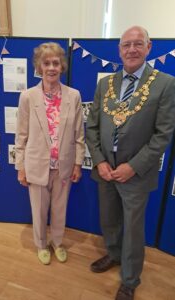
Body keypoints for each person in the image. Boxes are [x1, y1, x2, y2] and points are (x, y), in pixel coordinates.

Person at [86, 26, 175, 300]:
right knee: (109, 219)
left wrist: (133, 166)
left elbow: (163, 135)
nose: (132, 49)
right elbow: (91, 127)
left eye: (138, 44)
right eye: (127, 44)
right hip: (105, 169)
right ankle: (113, 254)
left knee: (134, 228)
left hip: (135, 173)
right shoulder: (105, 84)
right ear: (119, 50)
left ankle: (130, 278)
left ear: (149, 48)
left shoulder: (166, 83)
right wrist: (99, 160)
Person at [15, 42, 85, 265]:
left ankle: (57, 241)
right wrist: (21, 167)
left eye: (56, 62)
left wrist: (77, 164)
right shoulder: (27, 97)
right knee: (38, 209)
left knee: (59, 209)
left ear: (62, 66)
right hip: (36, 165)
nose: (52, 67)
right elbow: (21, 135)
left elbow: (79, 134)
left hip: (63, 165)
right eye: (46, 63)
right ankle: (41, 244)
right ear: (39, 66)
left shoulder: (73, 96)